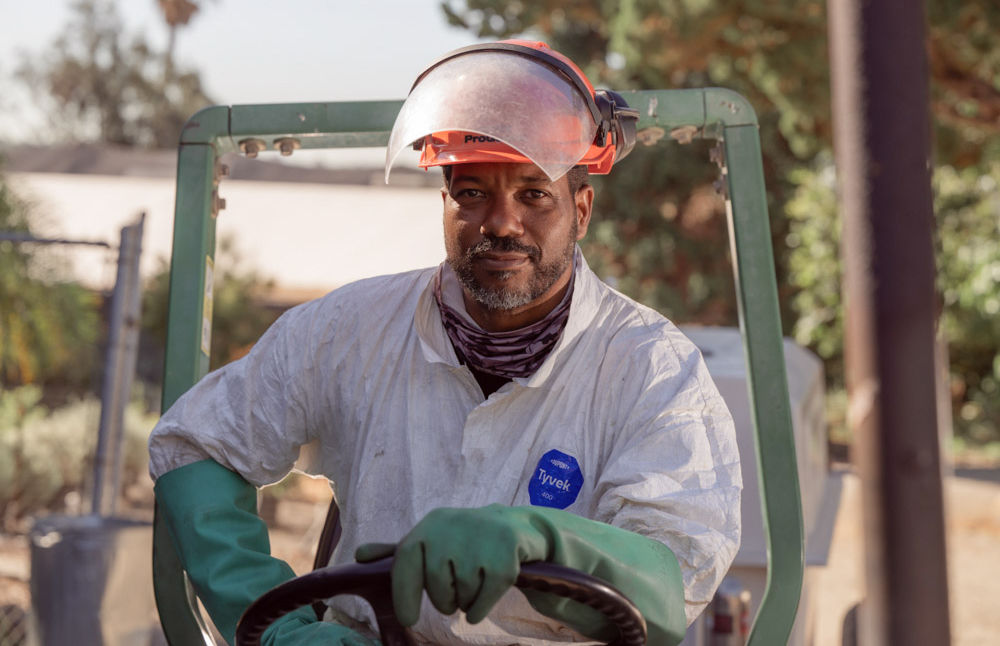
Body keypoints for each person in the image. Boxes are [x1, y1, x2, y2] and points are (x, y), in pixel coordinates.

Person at [149, 40, 742, 646]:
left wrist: (542, 543)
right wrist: (283, 629)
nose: (502, 223)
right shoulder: (349, 329)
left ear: (581, 209)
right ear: (445, 203)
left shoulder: (652, 369)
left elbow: (674, 582)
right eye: (473, 193)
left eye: (534, 194)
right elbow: (197, 445)